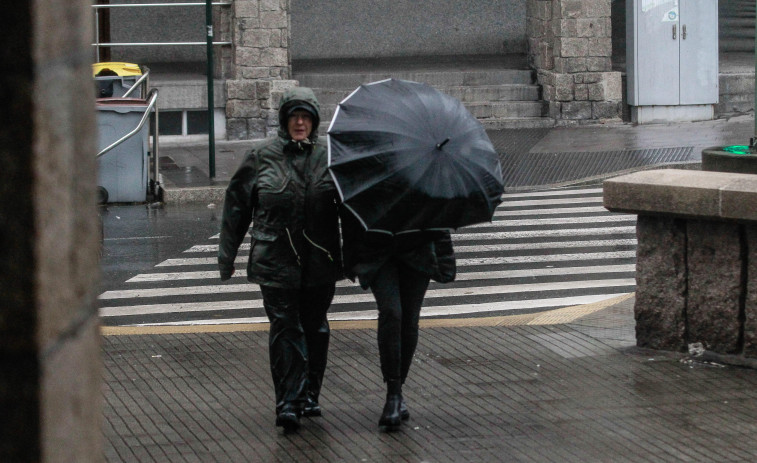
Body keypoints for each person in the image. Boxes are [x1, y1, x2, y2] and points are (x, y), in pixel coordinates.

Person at [218, 87, 342, 433]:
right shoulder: (261, 156)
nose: (299, 122)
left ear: (314, 122)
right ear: (284, 120)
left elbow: (350, 211)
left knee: (315, 327)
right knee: (286, 328)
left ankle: (310, 394)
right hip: (275, 260)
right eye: (294, 116)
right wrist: (226, 258)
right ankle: (288, 400)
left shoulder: (329, 157)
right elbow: (236, 210)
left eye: (306, 117)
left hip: (320, 260)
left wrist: (358, 258)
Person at [341, 213, 456, 431]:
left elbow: (438, 210)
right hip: (379, 252)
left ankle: (397, 390)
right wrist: (351, 255)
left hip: (418, 250)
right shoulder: (369, 177)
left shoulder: (423, 178)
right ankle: (393, 393)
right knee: (391, 313)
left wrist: (444, 256)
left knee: (409, 320)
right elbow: (353, 213)